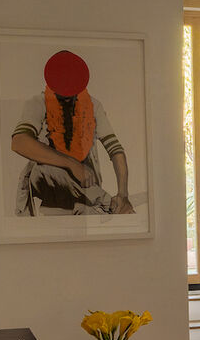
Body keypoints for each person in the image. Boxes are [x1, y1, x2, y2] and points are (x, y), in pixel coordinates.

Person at [11, 50, 135, 216]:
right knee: (47, 169)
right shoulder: (38, 103)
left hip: (85, 191)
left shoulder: (93, 105)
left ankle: (114, 206)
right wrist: (72, 164)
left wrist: (123, 193)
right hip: (48, 184)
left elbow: (115, 150)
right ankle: (109, 205)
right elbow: (19, 142)